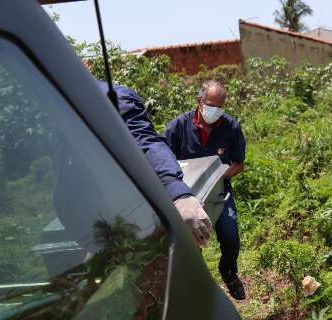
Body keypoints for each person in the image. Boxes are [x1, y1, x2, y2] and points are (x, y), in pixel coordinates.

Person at [95, 81, 212, 248]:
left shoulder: (106, 96)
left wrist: (177, 193)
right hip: (104, 225)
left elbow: (146, 142)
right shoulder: (179, 123)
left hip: (137, 213)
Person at [164, 80, 246, 300]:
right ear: (199, 101)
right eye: (211, 105)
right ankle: (198, 288)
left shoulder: (230, 127)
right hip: (186, 196)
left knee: (230, 237)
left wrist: (217, 176)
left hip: (219, 194)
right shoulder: (178, 127)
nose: (215, 112)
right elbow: (163, 163)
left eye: (220, 107)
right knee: (190, 244)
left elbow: (239, 163)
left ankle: (229, 272)